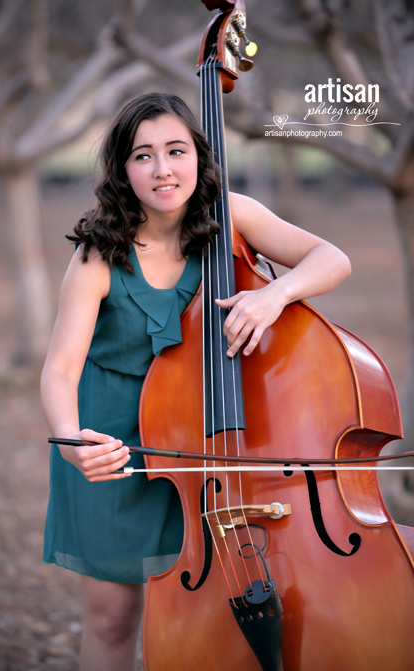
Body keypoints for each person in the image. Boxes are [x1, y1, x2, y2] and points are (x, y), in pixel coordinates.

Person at [40, 91, 351, 670]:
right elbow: (60, 368)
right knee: (111, 620)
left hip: (208, 446)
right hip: (115, 450)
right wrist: (70, 438)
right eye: (143, 155)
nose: (162, 170)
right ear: (122, 169)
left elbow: (331, 258)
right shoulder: (98, 254)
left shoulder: (232, 218)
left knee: (215, 607)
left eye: (176, 151)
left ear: (200, 158)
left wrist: (274, 294)